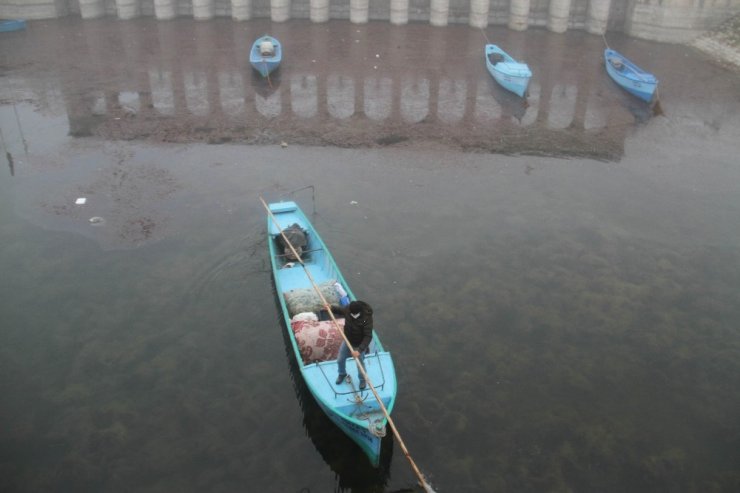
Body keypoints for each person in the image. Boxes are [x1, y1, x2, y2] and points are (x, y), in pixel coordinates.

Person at [334, 300, 373, 390]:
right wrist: (331, 308)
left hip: (359, 345)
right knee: (340, 359)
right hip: (348, 341)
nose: (352, 315)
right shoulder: (349, 309)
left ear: (359, 312)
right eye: (351, 314)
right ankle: (342, 374)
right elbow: (340, 310)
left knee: (360, 364)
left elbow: (368, 336)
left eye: (354, 314)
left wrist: (359, 350)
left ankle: (362, 380)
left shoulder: (366, 319)